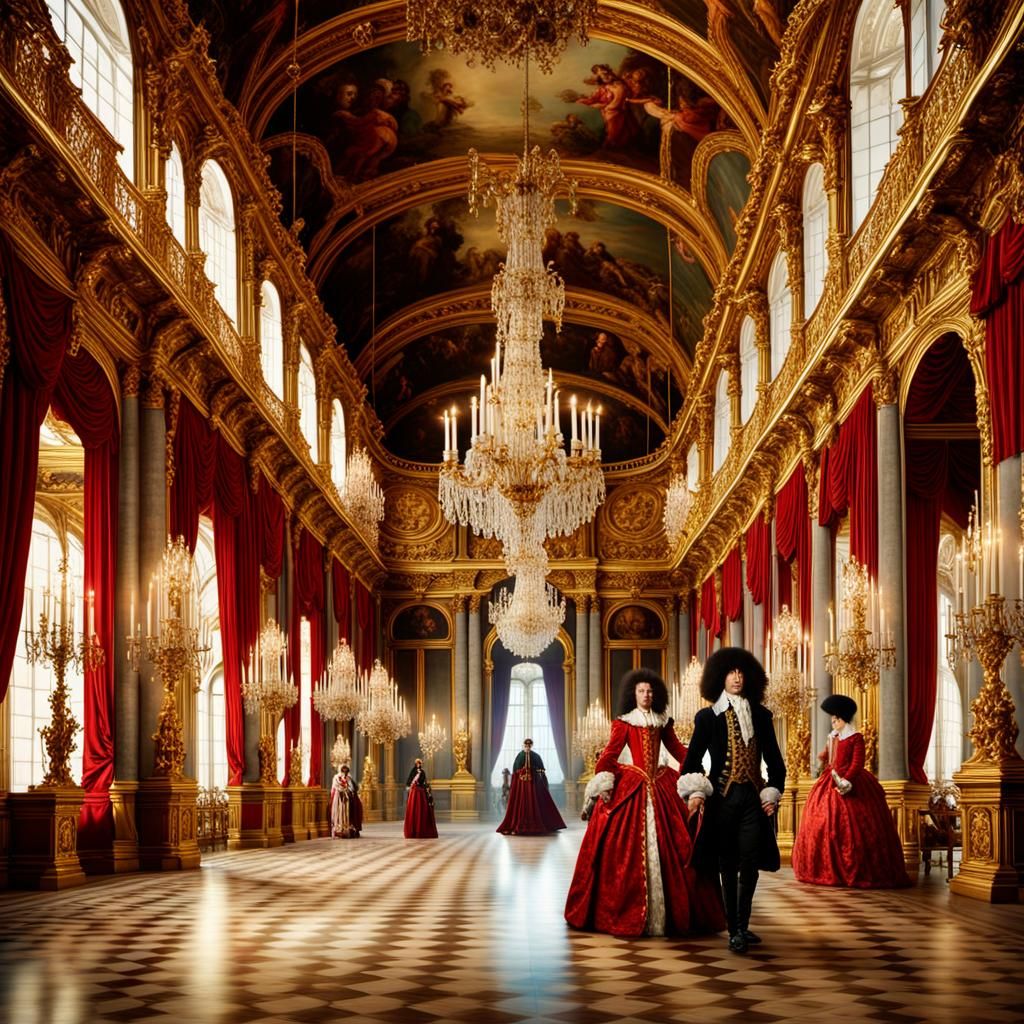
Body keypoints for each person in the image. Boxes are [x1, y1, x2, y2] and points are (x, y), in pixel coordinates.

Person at [565, 668, 725, 938]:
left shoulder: (663, 721)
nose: (646, 695)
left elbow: (679, 751)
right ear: (633, 694)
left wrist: (695, 770)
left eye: (650, 691)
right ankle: (627, 911)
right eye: (641, 691)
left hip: (662, 783)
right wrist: (604, 779)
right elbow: (610, 755)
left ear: (655, 694)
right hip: (633, 784)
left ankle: (675, 915)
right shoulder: (624, 723)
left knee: (680, 844)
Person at [679, 647, 786, 954]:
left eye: (741, 672)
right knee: (727, 864)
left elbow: (776, 763)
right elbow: (691, 763)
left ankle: (743, 924)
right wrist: (697, 790)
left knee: (750, 862)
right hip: (722, 800)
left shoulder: (762, 716)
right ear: (720, 677)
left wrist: (773, 791)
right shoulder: (707, 718)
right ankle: (734, 929)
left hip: (753, 798)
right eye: (731, 672)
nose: (737, 677)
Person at [793, 694, 912, 889]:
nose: (833, 722)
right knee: (821, 822)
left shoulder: (855, 738)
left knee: (856, 828)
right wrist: (823, 756)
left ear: (843, 719)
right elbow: (827, 757)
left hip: (851, 782)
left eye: (835, 719)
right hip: (829, 781)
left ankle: (858, 869)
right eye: (832, 719)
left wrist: (846, 781)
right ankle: (822, 868)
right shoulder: (833, 737)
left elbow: (857, 763)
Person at [496, 739, 567, 835]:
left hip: (534, 786)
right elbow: (515, 772)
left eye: (529, 745)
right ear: (524, 745)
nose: (527, 746)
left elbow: (541, 771)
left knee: (536, 803)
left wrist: (534, 771)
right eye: (526, 745)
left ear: (531, 745)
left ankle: (539, 823)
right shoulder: (520, 756)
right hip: (521, 787)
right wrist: (522, 772)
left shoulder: (536, 756)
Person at [404, 758, 438, 838]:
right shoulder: (413, 772)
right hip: (414, 793)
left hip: (420, 792)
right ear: (415, 764)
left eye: (420, 763)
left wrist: (424, 786)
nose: (419, 764)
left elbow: (424, 781)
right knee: (414, 808)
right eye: (417, 763)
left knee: (421, 808)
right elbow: (409, 782)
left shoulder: (422, 772)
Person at [329, 763, 362, 839]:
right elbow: (335, 786)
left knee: (349, 813)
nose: (344, 771)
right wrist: (342, 789)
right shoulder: (336, 777)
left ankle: (350, 829)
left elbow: (352, 787)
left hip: (348, 798)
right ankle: (339, 830)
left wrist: (349, 790)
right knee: (339, 813)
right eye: (343, 769)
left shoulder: (349, 777)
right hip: (339, 798)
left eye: (346, 770)